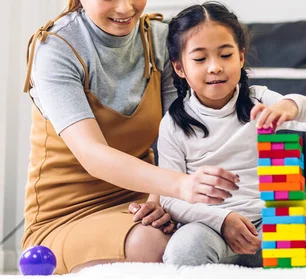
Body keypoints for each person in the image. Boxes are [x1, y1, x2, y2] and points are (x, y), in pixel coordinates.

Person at [22, 0, 237, 274]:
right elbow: (93, 155)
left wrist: (158, 200)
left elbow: (185, 135)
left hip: (147, 197)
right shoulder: (56, 48)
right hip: (67, 213)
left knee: (196, 235)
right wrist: (179, 187)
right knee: (159, 245)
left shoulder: (159, 38)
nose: (125, 8)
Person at [158, 2, 306, 266]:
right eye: (200, 59)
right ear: (179, 68)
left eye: (225, 55)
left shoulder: (262, 101)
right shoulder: (173, 124)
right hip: (209, 227)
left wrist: (291, 106)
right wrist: (222, 220)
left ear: (241, 58)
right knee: (183, 251)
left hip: (270, 225)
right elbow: (169, 197)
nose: (215, 67)